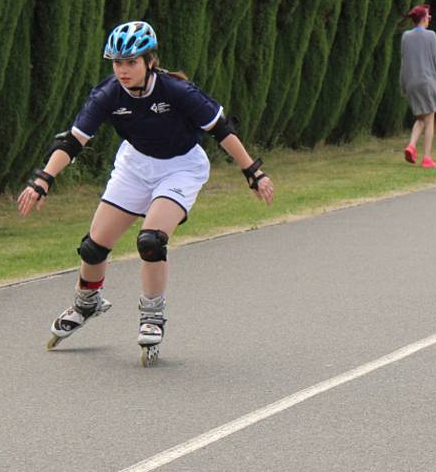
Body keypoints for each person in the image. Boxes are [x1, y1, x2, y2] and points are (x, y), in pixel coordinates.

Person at [17, 21, 274, 366]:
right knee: (93, 247)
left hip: (181, 167)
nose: (123, 71)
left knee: (151, 240)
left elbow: (221, 130)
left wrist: (252, 172)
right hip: (136, 165)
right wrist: (43, 179)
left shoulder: (177, 91)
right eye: (117, 63)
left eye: (131, 62)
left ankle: (152, 314)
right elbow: (73, 141)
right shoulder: (108, 94)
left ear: (149, 61)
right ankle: (87, 303)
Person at [399, 4, 436, 168]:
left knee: (421, 118)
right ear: (424, 18)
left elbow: (404, 62)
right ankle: (427, 158)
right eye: (428, 16)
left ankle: (411, 145)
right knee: (430, 119)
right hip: (427, 82)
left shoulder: (406, 36)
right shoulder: (431, 36)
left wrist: (403, 85)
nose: (430, 18)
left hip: (411, 83)